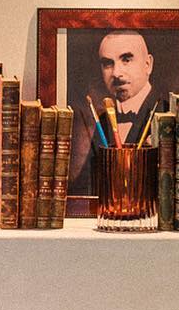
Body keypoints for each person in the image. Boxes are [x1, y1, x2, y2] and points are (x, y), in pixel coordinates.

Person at [69, 29, 163, 191]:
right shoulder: (104, 120)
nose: (116, 73)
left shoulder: (167, 112)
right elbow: (86, 186)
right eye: (108, 63)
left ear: (148, 64)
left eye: (126, 60)